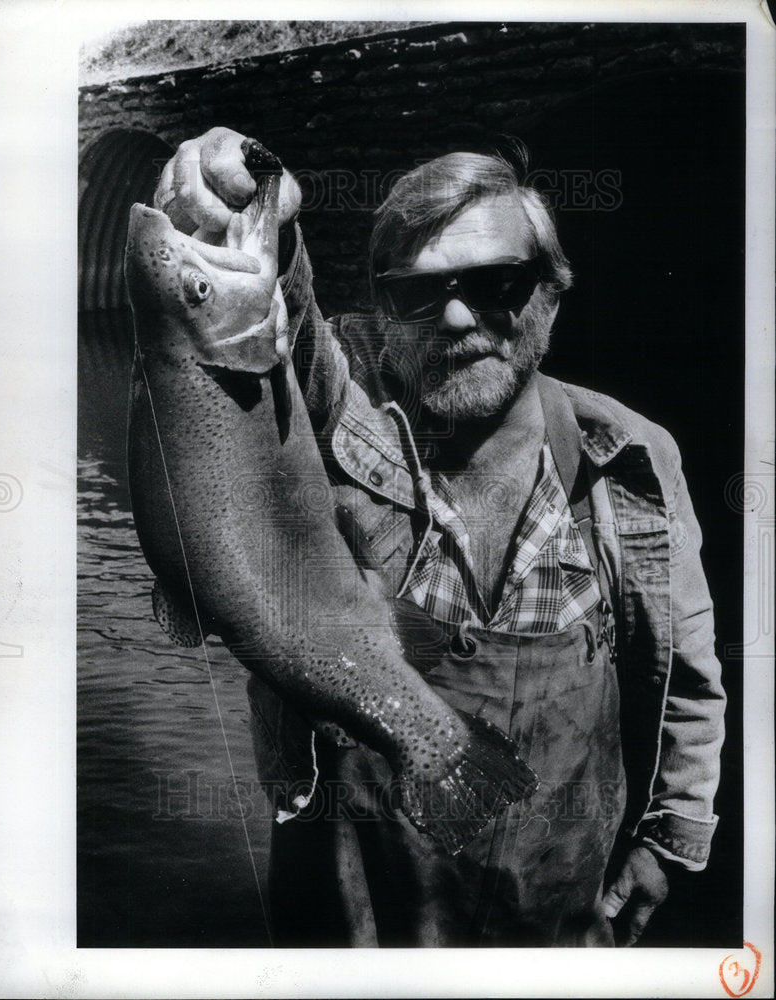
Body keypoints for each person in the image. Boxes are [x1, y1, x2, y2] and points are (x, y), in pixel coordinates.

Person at [153, 127, 726, 947]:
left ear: (553, 291)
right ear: (384, 312)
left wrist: (669, 841)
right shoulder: (330, 416)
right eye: (418, 294)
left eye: (497, 283)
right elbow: (277, 326)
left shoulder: (633, 456)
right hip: (355, 931)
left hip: (557, 923)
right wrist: (238, 202)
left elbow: (685, 684)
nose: (456, 315)